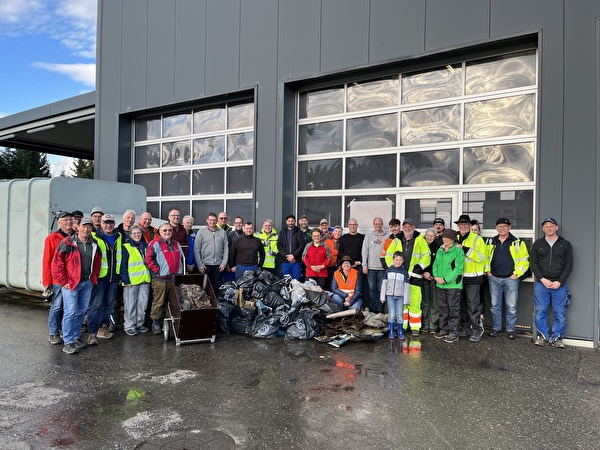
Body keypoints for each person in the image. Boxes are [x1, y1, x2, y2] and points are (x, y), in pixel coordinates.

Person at [51, 217, 102, 354]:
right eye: (84, 226)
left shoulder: (94, 244)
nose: (86, 229)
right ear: (78, 227)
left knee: (81, 311)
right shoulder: (67, 242)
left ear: (92, 229)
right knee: (70, 311)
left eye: (89, 227)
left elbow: (97, 263)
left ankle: (75, 336)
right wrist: (63, 281)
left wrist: (93, 278)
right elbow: (57, 263)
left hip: (86, 283)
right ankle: (67, 341)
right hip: (71, 284)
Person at [530, 217, 573, 348]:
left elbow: (569, 264)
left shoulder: (565, 244)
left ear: (556, 228)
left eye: (551, 226)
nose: (549, 228)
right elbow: (533, 264)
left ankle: (557, 338)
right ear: (543, 229)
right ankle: (542, 336)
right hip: (542, 284)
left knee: (559, 312)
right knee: (541, 310)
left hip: (559, 285)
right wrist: (542, 279)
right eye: (546, 226)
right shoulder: (538, 244)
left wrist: (560, 281)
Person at [383, 218, 431, 336]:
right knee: (402, 304)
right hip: (399, 277)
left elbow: (427, 256)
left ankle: (415, 328)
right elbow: (388, 256)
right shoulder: (396, 240)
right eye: (405, 226)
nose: (407, 228)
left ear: (414, 227)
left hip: (415, 276)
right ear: (402, 228)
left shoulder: (420, 240)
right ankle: (402, 326)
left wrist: (419, 267)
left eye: (410, 226)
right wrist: (394, 268)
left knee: (414, 303)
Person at [485, 218, 530, 340]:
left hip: (511, 279)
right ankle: (496, 329)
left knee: (511, 306)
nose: (502, 228)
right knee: (495, 305)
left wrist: (516, 274)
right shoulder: (490, 241)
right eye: (499, 226)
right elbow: (484, 257)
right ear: (496, 228)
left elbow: (524, 261)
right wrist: (488, 272)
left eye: (505, 226)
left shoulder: (517, 242)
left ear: (509, 228)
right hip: (494, 278)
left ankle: (511, 330)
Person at [87, 214, 123, 344]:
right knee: (96, 305)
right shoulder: (95, 237)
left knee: (108, 305)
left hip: (113, 277)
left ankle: (103, 328)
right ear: (101, 224)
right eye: (105, 223)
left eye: (111, 223)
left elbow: (120, 257)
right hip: (100, 277)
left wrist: (119, 276)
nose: (108, 225)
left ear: (114, 224)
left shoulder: (119, 237)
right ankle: (92, 332)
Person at [146, 223, 185, 334]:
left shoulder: (176, 244)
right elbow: (148, 259)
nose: (167, 232)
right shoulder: (154, 243)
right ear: (160, 232)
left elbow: (182, 259)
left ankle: (168, 322)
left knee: (173, 302)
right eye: (165, 230)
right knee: (159, 302)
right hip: (161, 279)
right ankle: (156, 323)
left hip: (175, 278)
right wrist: (158, 270)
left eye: (169, 230)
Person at [42, 211, 74, 345]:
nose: (68, 222)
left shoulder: (76, 237)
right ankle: (54, 332)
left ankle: (64, 330)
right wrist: (47, 282)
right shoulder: (52, 238)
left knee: (70, 308)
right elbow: (46, 260)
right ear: (59, 222)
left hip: (72, 279)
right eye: (65, 220)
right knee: (57, 306)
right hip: (57, 280)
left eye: (70, 220)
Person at [454, 214, 487, 342]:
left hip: (473, 277)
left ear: (469, 226)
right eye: (461, 225)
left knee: (473, 305)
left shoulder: (477, 239)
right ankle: (465, 328)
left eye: (465, 225)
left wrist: (465, 249)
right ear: (458, 226)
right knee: (461, 305)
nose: (463, 227)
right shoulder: (455, 238)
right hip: (458, 278)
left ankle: (476, 330)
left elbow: (481, 257)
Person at [433, 229, 465, 344]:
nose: (445, 239)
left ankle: (454, 332)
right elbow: (435, 264)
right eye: (444, 237)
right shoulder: (440, 249)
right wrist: (436, 276)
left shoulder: (458, 250)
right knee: (442, 308)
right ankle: (444, 329)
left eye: (448, 238)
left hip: (452, 285)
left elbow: (458, 269)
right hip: (440, 284)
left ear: (453, 239)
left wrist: (445, 280)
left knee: (453, 309)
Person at [120, 225, 151, 336]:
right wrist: (125, 280)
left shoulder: (146, 246)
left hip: (144, 280)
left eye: (139, 233)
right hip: (131, 282)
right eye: (134, 233)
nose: (137, 235)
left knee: (143, 304)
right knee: (130, 305)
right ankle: (129, 326)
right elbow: (122, 265)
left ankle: (139, 324)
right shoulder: (126, 247)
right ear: (130, 235)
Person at [194, 212, 229, 292]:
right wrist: (200, 264)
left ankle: (215, 303)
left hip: (218, 266)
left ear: (217, 221)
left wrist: (224, 263)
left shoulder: (222, 232)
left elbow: (226, 249)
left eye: (214, 220)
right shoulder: (201, 232)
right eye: (210, 220)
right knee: (203, 287)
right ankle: (204, 304)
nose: (212, 222)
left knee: (216, 287)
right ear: (207, 220)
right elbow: (196, 249)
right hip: (205, 265)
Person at [380, 251, 410, 340]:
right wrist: (382, 297)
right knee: (392, 314)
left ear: (403, 261)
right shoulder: (389, 270)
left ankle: (400, 332)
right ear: (393, 260)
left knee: (400, 314)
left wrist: (406, 300)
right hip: (390, 296)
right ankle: (391, 331)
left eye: (400, 260)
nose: (398, 262)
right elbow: (384, 283)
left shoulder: (404, 272)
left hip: (400, 296)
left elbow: (406, 286)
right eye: (396, 260)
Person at [362, 217, 386, 313]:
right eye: (376, 223)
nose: (378, 225)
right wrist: (364, 265)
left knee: (381, 289)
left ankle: (379, 309)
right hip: (371, 267)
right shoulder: (368, 236)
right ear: (373, 225)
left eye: (379, 223)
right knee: (372, 289)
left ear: (382, 224)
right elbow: (365, 251)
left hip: (382, 268)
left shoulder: (387, 236)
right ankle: (372, 309)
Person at [421, 228, 440, 334]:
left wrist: (433, 274)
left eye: (431, 236)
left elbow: (438, 263)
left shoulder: (438, 247)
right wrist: (424, 273)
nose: (429, 237)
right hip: (423, 277)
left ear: (435, 237)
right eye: (428, 235)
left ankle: (433, 325)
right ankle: (425, 324)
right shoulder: (420, 245)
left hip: (434, 278)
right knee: (425, 302)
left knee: (434, 303)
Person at [277, 214, 305, 280]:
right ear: (286, 222)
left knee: (296, 281)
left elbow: (302, 245)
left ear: (295, 221)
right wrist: (287, 256)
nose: (290, 223)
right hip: (285, 261)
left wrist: (293, 256)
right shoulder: (282, 232)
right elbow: (279, 245)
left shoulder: (300, 232)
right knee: (286, 281)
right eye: (289, 221)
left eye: (292, 221)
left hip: (296, 261)